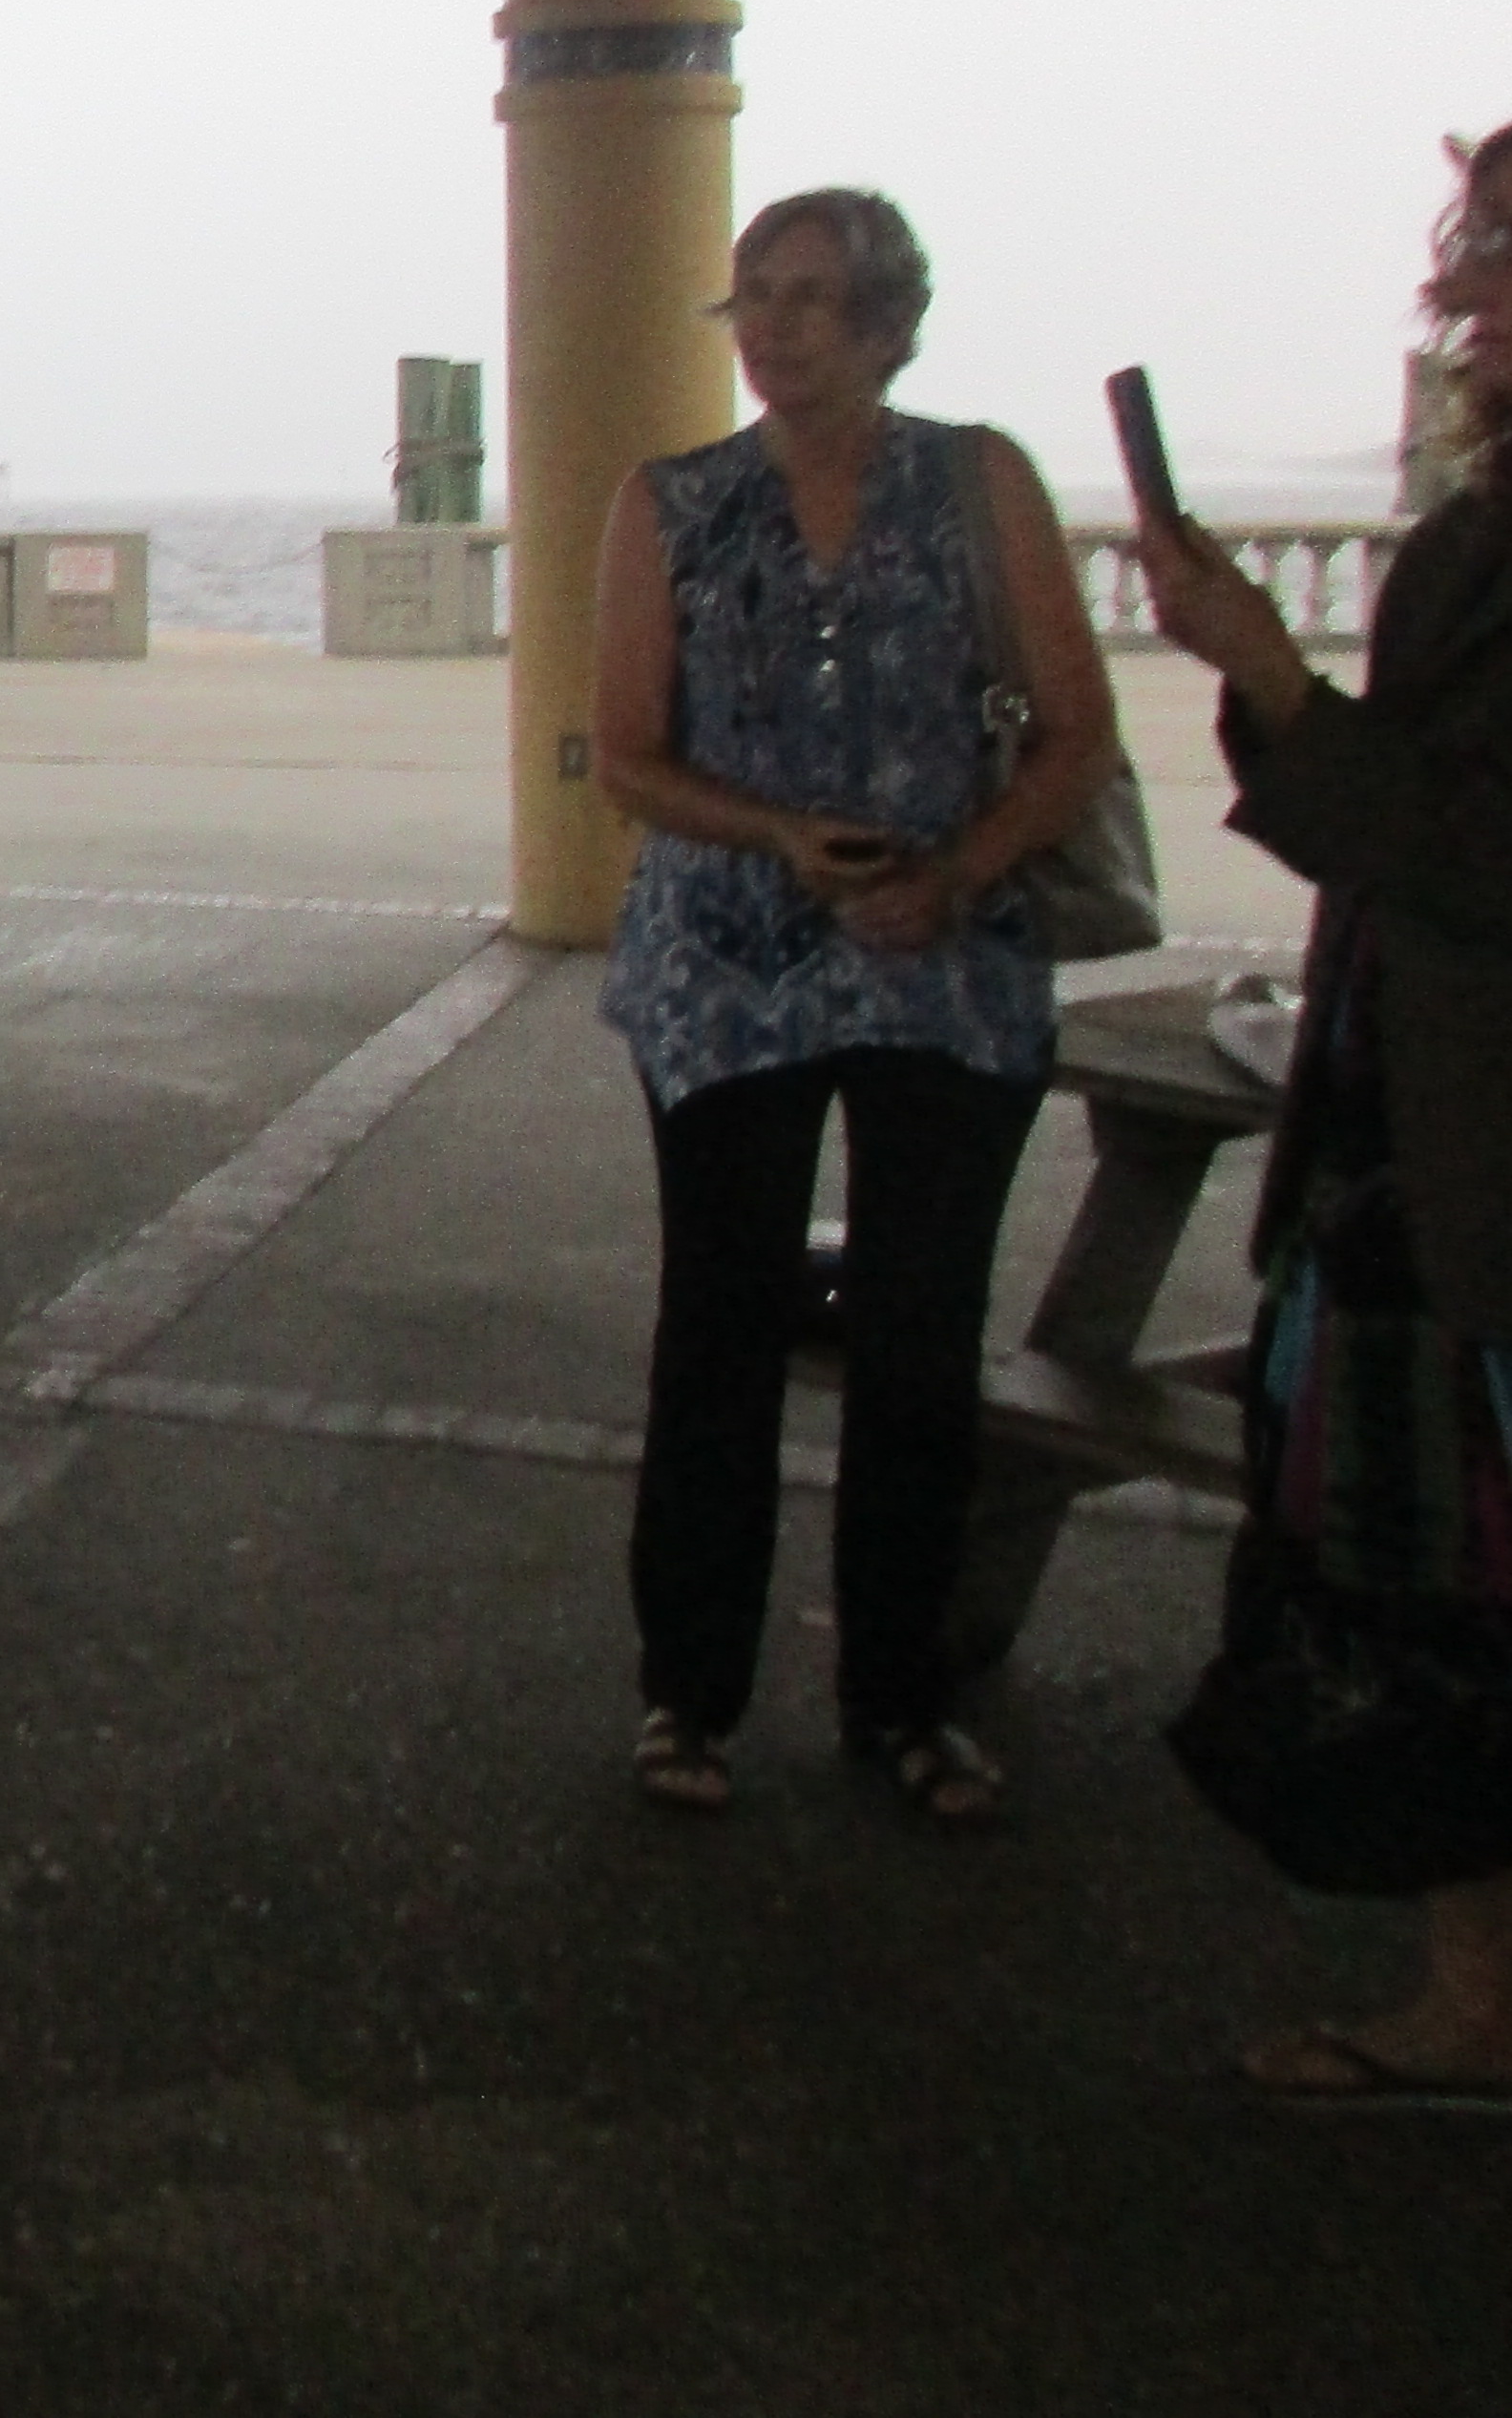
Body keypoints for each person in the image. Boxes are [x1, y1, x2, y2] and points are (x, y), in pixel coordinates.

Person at [1143, 70, 1512, 2341]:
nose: (1462, 286)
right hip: (1413, 1151)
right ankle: (1479, 2003)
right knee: (1407, 1595)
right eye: (1463, 239)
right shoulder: (1490, 534)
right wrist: (1286, 700)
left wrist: (1267, 681)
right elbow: (1395, 822)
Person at [589, 188, 1119, 1829]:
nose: (773, 325)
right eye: (753, 293)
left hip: (946, 961)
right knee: (720, 1327)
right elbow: (627, 754)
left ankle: (905, 1695)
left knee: (918, 1336)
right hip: (725, 966)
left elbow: (1075, 733)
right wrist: (775, 836)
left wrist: (955, 872)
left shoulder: (978, 480)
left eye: (812, 296)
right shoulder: (672, 501)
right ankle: (688, 1689)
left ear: (891, 323)